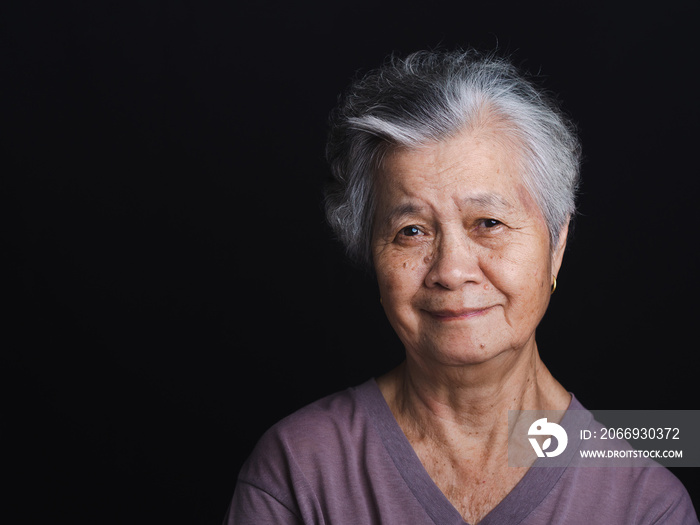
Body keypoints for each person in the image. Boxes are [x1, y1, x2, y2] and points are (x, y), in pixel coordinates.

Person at [224, 50, 698, 524]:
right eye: (411, 231)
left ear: (557, 243)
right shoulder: (297, 473)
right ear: (371, 251)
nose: (450, 270)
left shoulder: (644, 505)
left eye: (488, 222)